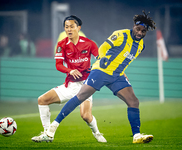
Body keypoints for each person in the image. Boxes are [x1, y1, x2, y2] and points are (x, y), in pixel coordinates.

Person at [46, 11, 156, 144]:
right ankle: (53, 127)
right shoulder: (121, 34)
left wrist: (122, 72)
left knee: (134, 102)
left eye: (143, 31)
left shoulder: (141, 46)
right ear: (134, 26)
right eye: (138, 29)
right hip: (102, 70)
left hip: (117, 75)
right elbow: (104, 47)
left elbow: (124, 60)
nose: (140, 33)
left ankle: (137, 135)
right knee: (81, 96)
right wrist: (103, 58)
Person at [31, 15, 107, 143]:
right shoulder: (62, 45)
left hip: (86, 86)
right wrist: (69, 70)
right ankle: (46, 133)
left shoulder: (89, 43)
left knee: (86, 116)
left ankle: (97, 133)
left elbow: (100, 59)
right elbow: (58, 65)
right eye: (66, 27)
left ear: (78, 27)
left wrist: (98, 68)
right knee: (42, 100)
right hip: (70, 84)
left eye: (72, 26)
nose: (69, 29)